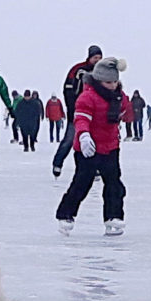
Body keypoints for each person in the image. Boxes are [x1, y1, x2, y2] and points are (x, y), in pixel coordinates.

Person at [56, 57, 130, 236]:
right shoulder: (87, 97)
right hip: (87, 148)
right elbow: (81, 118)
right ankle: (65, 215)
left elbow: (126, 110)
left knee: (114, 183)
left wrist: (123, 108)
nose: (112, 85)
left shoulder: (119, 96)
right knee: (82, 182)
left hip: (110, 147)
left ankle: (114, 216)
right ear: (98, 81)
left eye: (115, 81)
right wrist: (84, 136)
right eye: (108, 82)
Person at [52, 45, 103, 177]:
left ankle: (94, 167)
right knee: (70, 138)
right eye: (95, 58)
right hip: (77, 111)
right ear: (89, 57)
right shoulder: (77, 70)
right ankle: (58, 163)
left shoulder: (103, 72)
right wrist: (72, 107)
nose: (97, 60)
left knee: (94, 140)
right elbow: (68, 89)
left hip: (95, 113)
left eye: (99, 58)